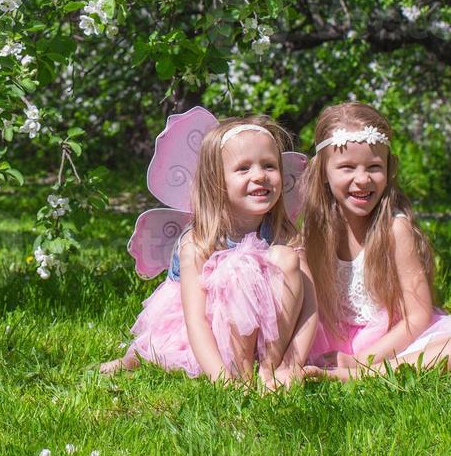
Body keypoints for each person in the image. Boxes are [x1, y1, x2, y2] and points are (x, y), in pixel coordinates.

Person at [297, 102, 451, 380]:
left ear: (389, 168)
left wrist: (360, 360)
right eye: (347, 167)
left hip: (394, 340)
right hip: (332, 339)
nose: (362, 179)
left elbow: (417, 316)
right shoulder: (314, 231)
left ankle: (364, 374)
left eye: (373, 167)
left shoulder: (395, 229)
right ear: (323, 172)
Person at [101, 116, 307, 389]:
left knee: (287, 258)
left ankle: (267, 368)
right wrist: (221, 379)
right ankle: (135, 358)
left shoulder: (281, 230)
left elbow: (309, 301)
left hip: (263, 329)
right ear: (216, 181)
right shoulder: (198, 241)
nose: (259, 175)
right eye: (243, 168)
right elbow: (196, 320)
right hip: (204, 325)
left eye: (269, 166)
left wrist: (288, 364)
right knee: (162, 348)